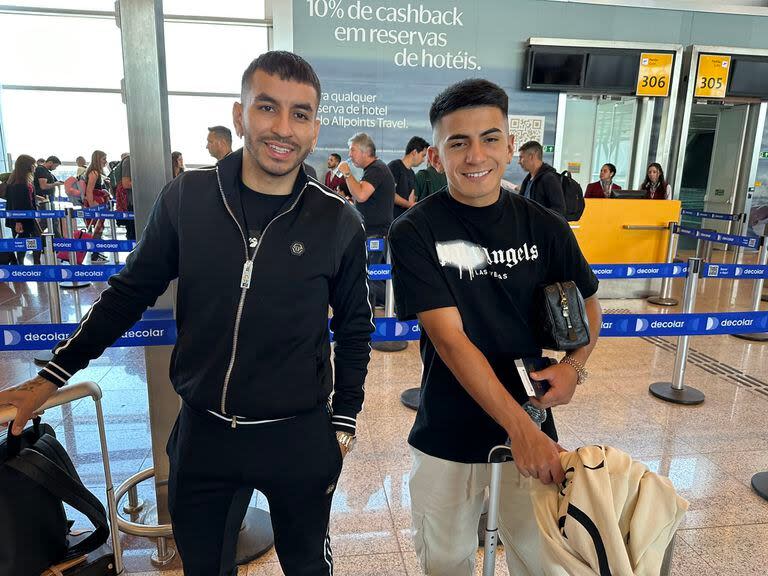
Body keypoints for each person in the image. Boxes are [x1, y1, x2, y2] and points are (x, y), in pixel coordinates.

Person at [0, 50, 373, 576]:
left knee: (309, 564)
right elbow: (128, 293)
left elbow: (356, 328)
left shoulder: (336, 221)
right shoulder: (188, 200)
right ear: (241, 115)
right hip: (206, 433)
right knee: (203, 566)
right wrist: (50, 376)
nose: (283, 128)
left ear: (315, 129)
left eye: (301, 114)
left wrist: (342, 423)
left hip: (298, 433)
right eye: (267, 108)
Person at [389, 78, 602, 576]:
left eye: (489, 138)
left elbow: (591, 307)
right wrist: (518, 427)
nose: (475, 155)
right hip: (449, 424)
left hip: (534, 414)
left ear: (509, 146)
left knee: (540, 555)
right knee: (443, 559)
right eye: (457, 142)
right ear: (437, 157)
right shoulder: (416, 232)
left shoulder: (543, 225)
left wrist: (575, 367)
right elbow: (450, 338)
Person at [338, 132, 395, 307]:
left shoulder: (377, 169)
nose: (349, 155)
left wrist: (347, 174)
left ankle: (399, 307)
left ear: (364, 151)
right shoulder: (373, 170)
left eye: (352, 150)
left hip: (376, 235)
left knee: (372, 277)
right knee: (371, 277)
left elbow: (361, 195)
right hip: (373, 233)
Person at [4, 154, 43, 265]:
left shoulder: (22, 180)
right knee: (28, 240)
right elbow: (17, 203)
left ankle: (29, 263)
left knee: (30, 240)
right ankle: (24, 263)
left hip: (28, 215)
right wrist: (18, 221)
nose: (34, 167)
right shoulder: (18, 183)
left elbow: (29, 198)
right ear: (26, 166)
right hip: (22, 217)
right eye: (32, 164)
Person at [518, 141, 566, 216]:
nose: (519, 162)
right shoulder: (528, 179)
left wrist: (538, 219)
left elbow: (559, 210)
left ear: (531, 156)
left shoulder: (549, 179)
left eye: (521, 157)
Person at [389, 136, 429, 219]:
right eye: (423, 155)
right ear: (414, 152)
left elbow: (411, 198)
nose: (423, 160)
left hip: (403, 220)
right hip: (391, 221)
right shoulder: (395, 166)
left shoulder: (412, 174)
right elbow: (390, 194)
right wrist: (410, 205)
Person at [83, 150, 111, 262]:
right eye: (104, 159)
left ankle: (96, 253)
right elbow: (89, 190)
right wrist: (92, 207)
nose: (105, 161)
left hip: (96, 202)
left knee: (98, 228)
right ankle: (95, 255)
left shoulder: (95, 172)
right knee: (96, 229)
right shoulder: (94, 173)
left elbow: (94, 189)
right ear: (97, 159)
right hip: (95, 204)